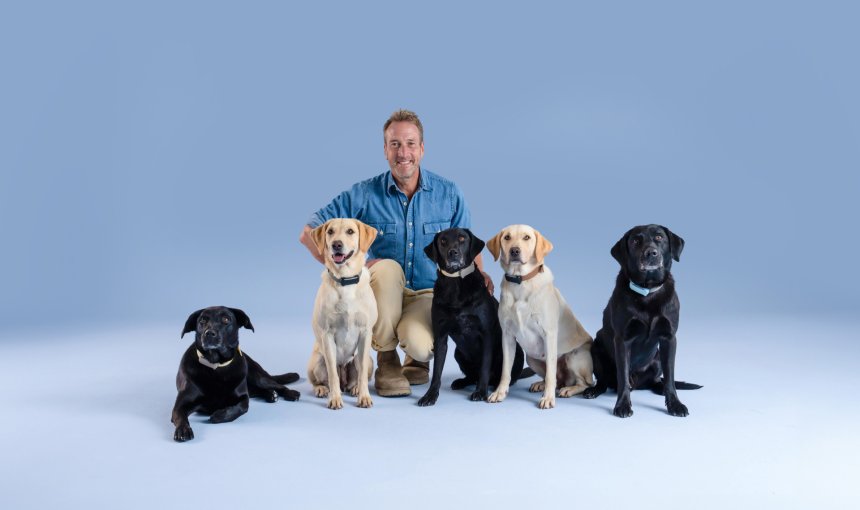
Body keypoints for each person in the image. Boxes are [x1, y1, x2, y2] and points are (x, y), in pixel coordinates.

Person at [299, 109, 493, 397]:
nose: (403, 153)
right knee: (387, 269)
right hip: (382, 291)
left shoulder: (449, 193)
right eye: (395, 144)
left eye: (411, 144)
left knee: (421, 343)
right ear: (385, 150)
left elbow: (466, 242)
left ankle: (417, 360)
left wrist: (481, 274)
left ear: (422, 149)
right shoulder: (365, 193)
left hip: (428, 293)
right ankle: (387, 360)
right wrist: (337, 266)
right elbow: (309, 232)